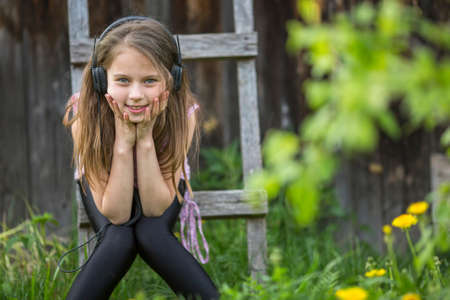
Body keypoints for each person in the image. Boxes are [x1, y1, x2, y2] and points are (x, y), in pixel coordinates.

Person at [62, 16, 219, 300]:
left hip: (159, 182)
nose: (136, 95)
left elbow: (156, 208)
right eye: (122, 80)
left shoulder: (184, 113)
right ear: (101, 79)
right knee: (119, 239)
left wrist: (144, 139)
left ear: (172, 79)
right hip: (108, 185)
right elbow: (117, 214)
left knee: (151, 234)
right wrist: (124, 141)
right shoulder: (84, 114)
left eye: (150, 81)